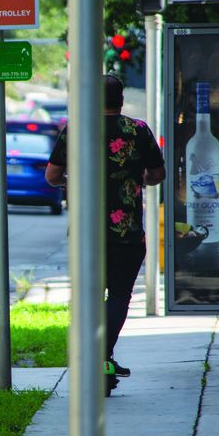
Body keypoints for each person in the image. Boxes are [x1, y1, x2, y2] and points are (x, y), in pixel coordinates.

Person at [45, 74, 166, 376]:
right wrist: (143, 179)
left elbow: (51, 175)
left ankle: (96, 357)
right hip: (126, 231)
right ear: (121, 101)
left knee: (89, 295)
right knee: (120, 296)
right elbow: (157, 173)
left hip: (86, 231)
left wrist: (65, 181)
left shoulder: (76, 130)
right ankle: (104, 356)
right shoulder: (138, 131)